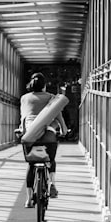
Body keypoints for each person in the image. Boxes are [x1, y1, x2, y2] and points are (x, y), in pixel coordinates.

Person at [18, 73, 67, 208]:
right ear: (44, 86)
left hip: (30, 134)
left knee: (31, 164)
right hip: (48, 135)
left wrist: (22, 131)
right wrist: (63, 129)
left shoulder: (24, 98)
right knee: (50, 160)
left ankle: (28, 199)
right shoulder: (51, 98)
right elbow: (58, 116)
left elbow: (24, 116)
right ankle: (52, 183)